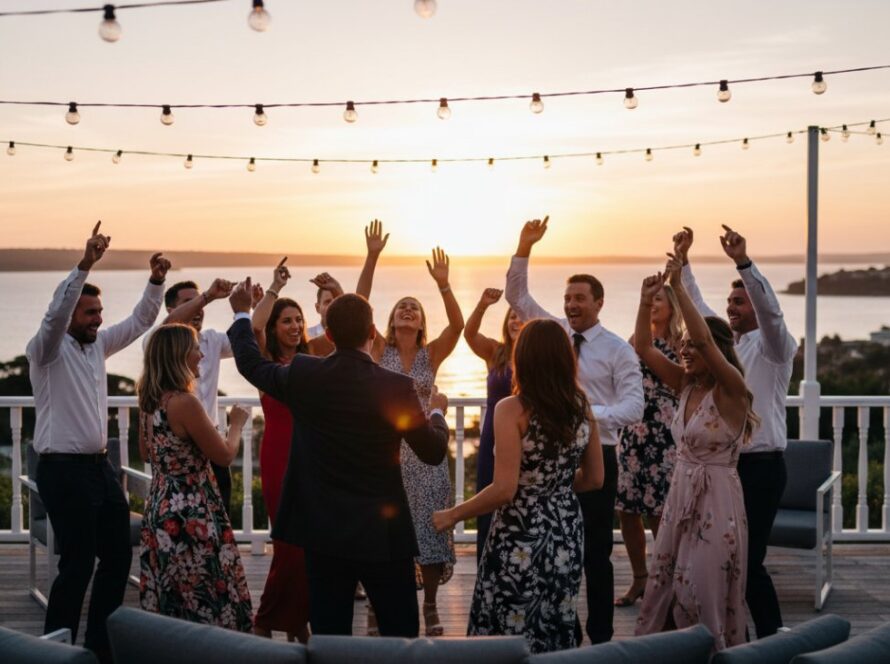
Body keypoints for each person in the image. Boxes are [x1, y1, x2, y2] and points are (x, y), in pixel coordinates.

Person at [228, 283, 450, 637]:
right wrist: (437, 413)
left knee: (330, 636)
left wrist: (241, 312)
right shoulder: (396, 386)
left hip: (323, 532)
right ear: (373, 332)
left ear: (328, 334)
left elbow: (251, 364)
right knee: (400, 634)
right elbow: (433, 450)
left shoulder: (304, 374)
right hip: (384, 535)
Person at [26, 222, 168, 660]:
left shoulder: (98, 346)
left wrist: (156, 281)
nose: (98, 319)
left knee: (118, 557)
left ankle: (98, 646)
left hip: (98, 468)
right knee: (77, 565)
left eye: (99, 312)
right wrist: (85, 264)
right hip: (61, 470)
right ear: (71, 315)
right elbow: (55, 313)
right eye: (90, 313)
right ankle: (56, 650)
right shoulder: (46, 350)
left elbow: (142, 321)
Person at [505, 216, 644, 644]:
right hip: (550, 462)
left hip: (598, 462)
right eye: (567, 298)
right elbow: (517, 296)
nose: (571, 305)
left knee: (595, 556)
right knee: (548, 549)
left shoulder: (618, 350)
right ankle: (551, 629)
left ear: (599, 302)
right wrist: (524, 246)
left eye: (579, 298)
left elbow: (633, 407)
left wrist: (584, 415)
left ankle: (600, 637)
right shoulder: (554, 333)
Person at [433, 319, 604, 653]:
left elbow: (504, 489)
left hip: (520, 530)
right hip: (566, 527)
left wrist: (453, 515)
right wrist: (554, 490)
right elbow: (595, 479)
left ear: (522, 359)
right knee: (556, 611)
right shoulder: (583, 408)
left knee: (510, 616)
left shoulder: (511, 409)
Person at [673, 225, 797, 638]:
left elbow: (771, 312)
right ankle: (727, 634)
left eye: (739, 301)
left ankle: (772, 637)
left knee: (750, 561)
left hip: (760, 468)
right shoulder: (729, 350)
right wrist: (685, 263)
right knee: (718, 559)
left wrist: (743, 264)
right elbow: (701, 316)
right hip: (723, 469)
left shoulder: (775, 347)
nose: (731, 306)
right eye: (730, 300)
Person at [634, 257, 758, 650]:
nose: (685, 351)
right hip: (680, 495)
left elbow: (705, 338)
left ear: (716, 351)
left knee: (702, 590)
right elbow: (641, 346)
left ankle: (714, 654)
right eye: (682, 345)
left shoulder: (731, 389)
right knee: (665, 583)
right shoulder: (685, 385)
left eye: (692, 346)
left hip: (716, 499)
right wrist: (644, 299)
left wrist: (678, 286)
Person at [368, 245, 464, 636]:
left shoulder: (431, 354)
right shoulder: (377, 348)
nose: (407, 310)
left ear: (421, 320)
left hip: (426, 454)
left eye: (414, 307)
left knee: (429, 530)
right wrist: (372, 257)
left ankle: (429, 607)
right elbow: (358, 305)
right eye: (401, 306)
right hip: (386, 454)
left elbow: (457, 326)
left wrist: (444, 286)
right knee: (384, 533)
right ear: (391, 319)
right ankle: (377, 609)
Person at [137, 324, 253, 632]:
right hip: (192, 512)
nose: (201, 354)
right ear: (178, 356)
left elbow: (147, 453)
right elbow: (224, 456)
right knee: (203, 594)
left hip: (160, 508)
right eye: (194, 349)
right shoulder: (185, 403)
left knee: (173, 596)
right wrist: (237, 424)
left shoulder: (149, 402)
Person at [249, 258, 312, 643]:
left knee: (308, 546)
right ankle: (265, 620)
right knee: (288, 545)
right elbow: (254, 325)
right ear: (276, 328)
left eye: (298, 320)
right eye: (287, 321)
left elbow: (352, 328)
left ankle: (295, 622)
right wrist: (274, 288)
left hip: (311, 457)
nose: (295, 326)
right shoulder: (267, 361)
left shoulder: (310, 359)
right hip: (278, 457)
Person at [614, 283, 683, 606]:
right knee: (626, 510)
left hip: (663, 435)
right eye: (650, 300)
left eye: (659, 299)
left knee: (659, 511)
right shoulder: (633, 340)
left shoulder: (680, 343)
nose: (654, 304)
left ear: (672, 307)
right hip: (632, 432)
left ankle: (664, 581)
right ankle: (640, 578)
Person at [149, 277, 237, 514]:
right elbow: (227, 455)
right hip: (192, 471)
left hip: (175, 484)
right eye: (191, 302)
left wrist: (253, 305)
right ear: (171, 310)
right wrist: (236, 423)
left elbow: (248, 337)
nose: (199, 308)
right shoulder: (156, 340)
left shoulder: (212, 339)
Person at [463, 287, 523, 561]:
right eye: (512, 317)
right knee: (488, 499)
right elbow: (470, 335)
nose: (515, 321)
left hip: (524, 436)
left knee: (518, 502)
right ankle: (487, 568)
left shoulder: (535, 357)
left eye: (521, 317)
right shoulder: (496, 353)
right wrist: (483, 304)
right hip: (493, 436)